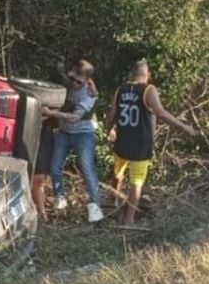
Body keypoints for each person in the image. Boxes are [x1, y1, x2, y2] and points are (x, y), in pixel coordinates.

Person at [104, 60, 195, 225]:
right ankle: (129, 219)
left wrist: (109, 130)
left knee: (118, 175)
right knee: (136, 182)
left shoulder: (121, 89)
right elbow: (160, 113)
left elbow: (112, 114)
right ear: (148, 75)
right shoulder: (148, 90)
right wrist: (183, 126)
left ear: (132, 74)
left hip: (122, 141)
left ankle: (112, 206)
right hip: (141, 144)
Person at [47, 60, 103, 223]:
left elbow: (74, 118)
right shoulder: (68, 84)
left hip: (83, 133)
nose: (74, 84)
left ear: (86, 81)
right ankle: (60, 196)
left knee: (87, 168)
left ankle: (95, 205)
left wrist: (50, 113)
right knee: (55, 166)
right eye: (72, 79)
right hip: (65, 132)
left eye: (79, 82)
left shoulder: (90, 94)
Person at [31, 109, 56, 220]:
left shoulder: (55, 96)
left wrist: (50, 113)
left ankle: (41, 211)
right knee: (37, 178)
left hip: (45, 134)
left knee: (40, 178)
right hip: (27, 131)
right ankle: (41, 212)